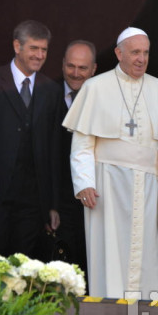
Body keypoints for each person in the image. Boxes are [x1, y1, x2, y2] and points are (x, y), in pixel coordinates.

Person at [63, 27, 158, 301]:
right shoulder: (95, 87)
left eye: (145, 53)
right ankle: (110, 312)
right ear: (119, 53)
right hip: (107, 187)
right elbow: (82, 144)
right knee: (111, 252)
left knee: (150, 255)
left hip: (152, 190)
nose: (141, 59)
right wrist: (84, 183)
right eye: (135, 53)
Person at [0, 20, 63, 259]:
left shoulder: (51, 90)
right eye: (34, 48)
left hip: (33, 197)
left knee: (23, 261)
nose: (40, 55)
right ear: (17, 46)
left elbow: (54, 150)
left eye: (44, 50)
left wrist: (53, 204)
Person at [57, 40, 97, 279]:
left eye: (82, 68)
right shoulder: (48, 93)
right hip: (58, 195)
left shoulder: (106, 99)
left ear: (93, 69)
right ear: (62, 65)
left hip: (94, 197)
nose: (75, 73)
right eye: (71, 66)